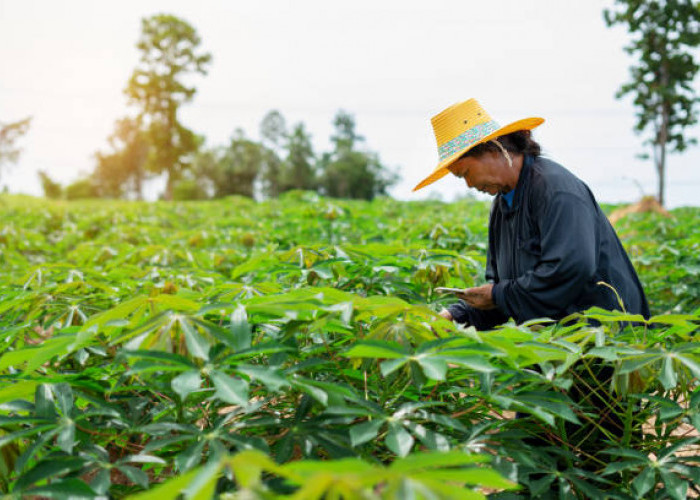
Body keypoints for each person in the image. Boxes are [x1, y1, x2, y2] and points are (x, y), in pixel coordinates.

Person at [414, 99, 650, 329]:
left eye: (465, 173)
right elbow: (509, 293)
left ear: (493, 149)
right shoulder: (502, 206)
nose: (468, 185)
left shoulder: (555, 190)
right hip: (553, 342)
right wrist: (457, 314)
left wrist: (498, 295)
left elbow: (571, 269)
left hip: (603, 338)